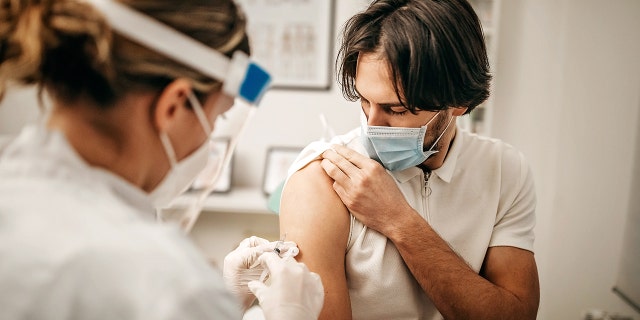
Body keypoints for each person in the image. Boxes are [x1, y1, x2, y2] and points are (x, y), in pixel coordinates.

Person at [0, 0, 323, 319]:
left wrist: (222, 301)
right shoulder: (165, 281)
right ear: (174, 105)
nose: (211, 137)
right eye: (217, 118)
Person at [279, 0, 540, 319]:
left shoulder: (504, 170)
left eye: (397, 110)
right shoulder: (321, 180)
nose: (371, 126)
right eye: (364, 100)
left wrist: (398, 220)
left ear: (458, 102)